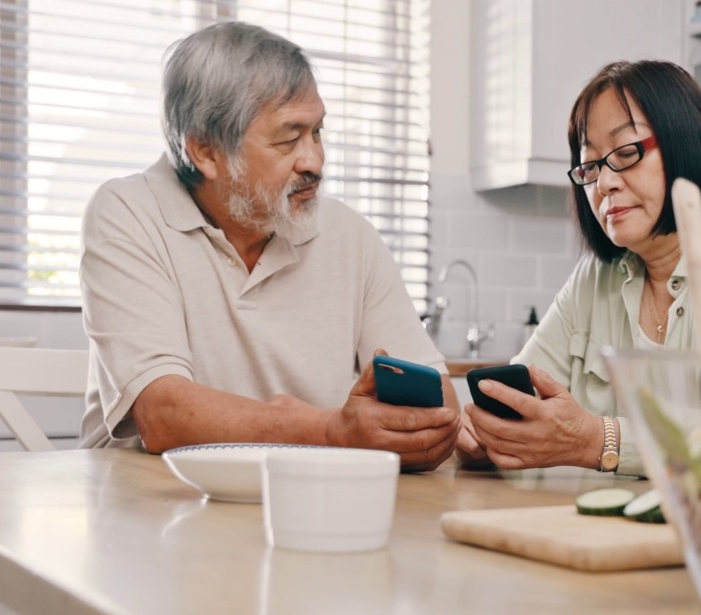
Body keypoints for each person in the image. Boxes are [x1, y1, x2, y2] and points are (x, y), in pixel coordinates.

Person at [78, 22, 460, 471]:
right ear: (205, 152)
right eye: (288, 138)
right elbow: (163, 416)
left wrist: (420, 430)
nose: (314, 161)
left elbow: (438, 397)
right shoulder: (127, 211)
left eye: (317, 132)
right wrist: (331, 431)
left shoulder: (349, 234)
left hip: (306, 501)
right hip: (151, 508)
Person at [456, 60, 701, 476]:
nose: (603, 183)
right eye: (590, 166)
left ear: (687, 144)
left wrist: (600, 439)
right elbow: (520, 408)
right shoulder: (593, 280)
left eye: (625, 153)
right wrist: (485, 435)